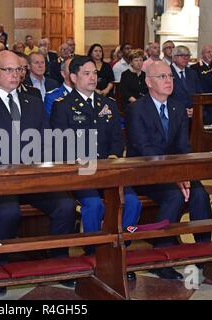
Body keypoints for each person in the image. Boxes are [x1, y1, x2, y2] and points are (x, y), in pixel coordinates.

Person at [0, 50, 76, 296]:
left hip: (32, 179)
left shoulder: (33, 102)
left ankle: (59, 262)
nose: (15, 75)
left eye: (18, 70)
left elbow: (47, 142)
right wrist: (9, 162)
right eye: (8, 70)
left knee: (66, 205)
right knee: (8, 210)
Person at [50, 56, 141, 281]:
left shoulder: (107, 104)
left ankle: (120, 245)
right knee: (92, 205)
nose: (93, 78)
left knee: (132, 203)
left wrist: (113, 156)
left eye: (95, 73)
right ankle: (93, 251)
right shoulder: (63, 106)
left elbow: (118, 139)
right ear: (73, 77)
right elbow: (59, 144)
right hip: (82, 172)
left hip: (109, 169)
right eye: (87, 74)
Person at [126, 61, 212, 280]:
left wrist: (184, 175)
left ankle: (204, 252)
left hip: (174, 171)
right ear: (148, 82)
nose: (168, 81)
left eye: (170, 76)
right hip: (145, 172)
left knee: (200, 193)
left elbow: (184, 147)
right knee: (174, 196)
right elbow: (145, 148)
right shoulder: (137, 109)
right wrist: (175, 177)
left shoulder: (177, 108)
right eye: (162, 77)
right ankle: (159, 257)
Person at [170, 45, 202, 118]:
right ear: (174, 57)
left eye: (187, 55)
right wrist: (181, 110)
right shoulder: (167, 72)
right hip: (174, 116)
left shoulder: (192, 73)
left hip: (192, 116)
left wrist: (195, 109)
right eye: (182, 55)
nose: (186, 58)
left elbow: (199, 94)